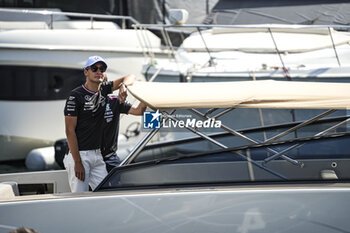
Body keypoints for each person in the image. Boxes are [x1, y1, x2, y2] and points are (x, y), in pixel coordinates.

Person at [63, 55, 136, 192]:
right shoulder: (75, 96)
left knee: (108, 193)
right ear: (86, 72)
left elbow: (131, 76)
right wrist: (77, 162)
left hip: (97, 155)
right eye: (94, 68)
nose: (99, 72)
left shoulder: (104, 89)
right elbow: (69, 131)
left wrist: (123, 86)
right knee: (80, 198)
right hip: (80, 155)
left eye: (102, 69)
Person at [101, 92, 147, 172]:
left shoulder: (115, 101)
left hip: (109, 156)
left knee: (115, 182)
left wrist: (145, 94)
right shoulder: (82, 102)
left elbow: (139, 110)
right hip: (88, 155)